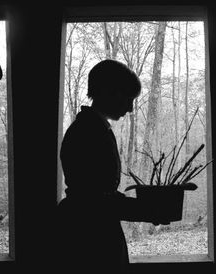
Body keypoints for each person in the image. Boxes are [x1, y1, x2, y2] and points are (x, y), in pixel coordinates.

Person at [56, 60, 172, 273]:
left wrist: (147, 210)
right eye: (128, 99)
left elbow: (98, 195)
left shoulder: (88, 129)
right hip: (91, 239)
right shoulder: (91, 133)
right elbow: (95, 201)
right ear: (110, 92)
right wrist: (149, 211)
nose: (129, 108)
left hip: (85, 230)